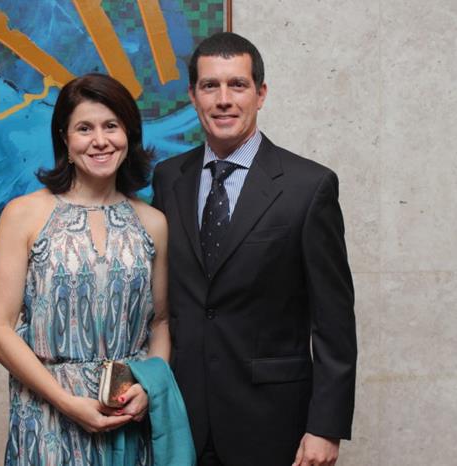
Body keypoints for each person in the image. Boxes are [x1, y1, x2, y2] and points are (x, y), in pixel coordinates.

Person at [151, 32, 357, 466]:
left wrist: (325, 427)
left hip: (272, 422)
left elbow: (333, 321)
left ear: (260, 94)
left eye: (237, 85)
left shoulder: (309, 187)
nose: (223, 99)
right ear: (192, 96)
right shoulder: (168, 179)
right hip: (182, 418)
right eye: (210, 86)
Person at [0, 73, 194, 465]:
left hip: (126, 417)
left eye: (111, 126)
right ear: (64, 137)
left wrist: (149, 387)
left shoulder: (152, 223)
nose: (100, 140)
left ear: (129, 134)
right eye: (84, 128)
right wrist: (67, 402)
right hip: (46, 417)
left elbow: (161, 322)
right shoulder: (24, 215)